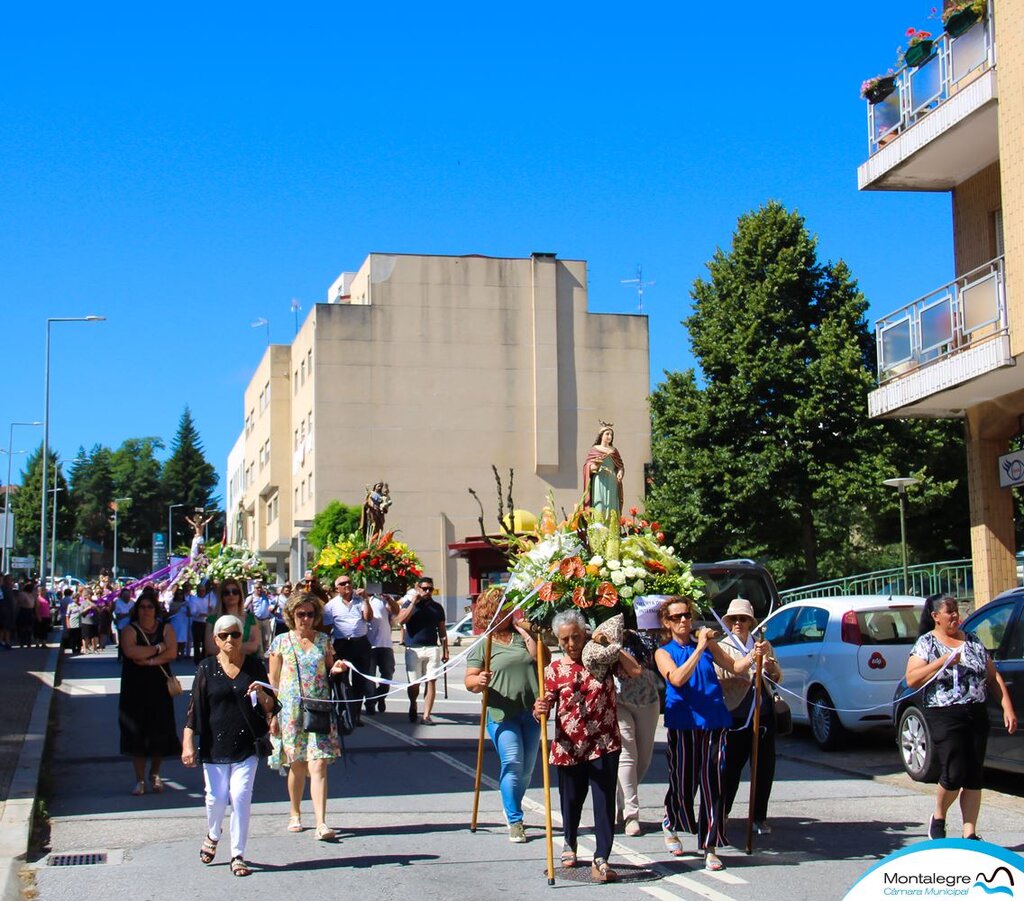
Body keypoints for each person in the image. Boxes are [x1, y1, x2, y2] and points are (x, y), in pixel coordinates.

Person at [655, 596, 766, 872]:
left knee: (713, 783)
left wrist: (754, 656)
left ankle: (710, 845)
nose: (684, 620)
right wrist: (700, 647)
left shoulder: (707, 646)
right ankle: (671, 819)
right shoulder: (663, 652)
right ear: (667, 623)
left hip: (714, 721)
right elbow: (677, 679)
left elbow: (735, 667)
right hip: (684, 724)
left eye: (687, 615)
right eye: (677, 617)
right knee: (683, 782)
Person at [533, 609, 640, 883]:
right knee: (571, 799)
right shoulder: (555, 670)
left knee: (603, 801)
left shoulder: (601, 659)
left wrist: (608, 645)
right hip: (570, 744)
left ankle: (602, 856)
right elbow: (544, 704)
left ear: (586, 634)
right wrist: (541, 707)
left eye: (576, 637)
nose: (571, 644)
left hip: (603, 741)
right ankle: (569, 841)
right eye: (565, 639)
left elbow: (634, 671)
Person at [905, 594, 1018, 840]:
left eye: (957, 611)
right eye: (950, 612)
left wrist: (1007, 706)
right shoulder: (927, 644)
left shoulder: (973, 641)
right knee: (954, 772)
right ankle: (939, 816)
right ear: (936, 616)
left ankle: (970, 832)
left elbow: (993, 676)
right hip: (944, 714)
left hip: (975, 712)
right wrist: (942, 661)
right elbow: (912, 679)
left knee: (974, 772)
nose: (956, 616)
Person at [182, 614, 278, 878]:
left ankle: (238, 854)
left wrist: (261, 694)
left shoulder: (255, 666)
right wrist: (188, 740)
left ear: (241, 636)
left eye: (235, 634)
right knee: (215, 799)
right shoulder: (206, 668)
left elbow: (272, 704)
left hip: (247, 743)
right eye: (223, 635)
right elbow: (195, 709)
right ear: (215, 639)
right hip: (214, 743)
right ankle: (214, 833)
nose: (230, 640)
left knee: (240, 796)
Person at [268, 592, 347, 840]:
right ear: (291, 616)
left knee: (319, 763)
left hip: (318, 709)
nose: (305, 619)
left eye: (310, 614)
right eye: (300, 614)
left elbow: (329, 668)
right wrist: (273, 713)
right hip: (290, 711)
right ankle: (295, 813)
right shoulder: (281, 641)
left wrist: (336, 668)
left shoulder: (324, 640)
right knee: (297, 765)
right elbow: (273, 679)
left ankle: (321, 823)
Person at [464, 586, 540, 842]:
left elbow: (543, 659)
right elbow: (470, 681)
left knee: (527, 770)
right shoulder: (483, 644)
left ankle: (511, 804)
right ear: (489, 613)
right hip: (500, 713)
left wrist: (526, 632)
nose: (506, 613)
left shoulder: (521, 637)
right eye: (500, 609)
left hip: (530, 711)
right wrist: (479, 680)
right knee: (512, 762)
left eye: (508, 608)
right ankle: (515, 819)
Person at [714, 597, 783, 836]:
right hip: (736, 713)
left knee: (764, 767)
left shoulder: (763, 644)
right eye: (734, 619)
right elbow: (718, 679)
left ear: (751, 621)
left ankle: (759, 817)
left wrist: (769, 665)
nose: (738, 623)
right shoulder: (723, 647)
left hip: (762, 713)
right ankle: (723, 812)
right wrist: (739, 673)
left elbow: (776, 676)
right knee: (730, 768)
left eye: (743, 619)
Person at [119, 587, 181, 795]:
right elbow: (130, 651)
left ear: (156, 609)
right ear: (137, 610)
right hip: (134, 688)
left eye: (150, 607)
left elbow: (172, 652)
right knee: (136, 732)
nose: (146, 611)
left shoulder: (166, 629)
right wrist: (157, 648)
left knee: (159, 731)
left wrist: (150, 660)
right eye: (142, 607)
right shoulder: (130, 630)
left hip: (159, 687)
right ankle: (139, 780)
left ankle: (155, 774)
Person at [615, 625, 662, 836]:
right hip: (617, 699)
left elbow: (647, 664)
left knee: (643, 760)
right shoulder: (602, 628)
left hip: (647, 698)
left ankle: (621, 801)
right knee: (627, 756)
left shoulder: (649, 632)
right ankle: (631, 816)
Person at [396, 577, 448, 724]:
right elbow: (401, 620)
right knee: (414, 684)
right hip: (413, 648)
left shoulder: (437, 607)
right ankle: (413, 704)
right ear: (418, 588)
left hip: (432, 647)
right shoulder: (409, 604)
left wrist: (445, 650)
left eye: (430, 589)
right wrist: (413, 602)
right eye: (424, 588)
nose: (427, 592)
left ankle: (426, 715)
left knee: (431, 681)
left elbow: (442, 630)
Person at [323, 575, 373, 727]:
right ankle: (342, 714)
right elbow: (326, 629)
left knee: (360, 681)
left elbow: (368, 618)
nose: (347, 585)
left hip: (360, 644)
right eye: (342, 583)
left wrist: (365, 599)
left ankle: (356, 715)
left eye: (348, 582)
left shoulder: (360, 600)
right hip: (342, 644)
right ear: (336, 588)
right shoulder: (331, 605)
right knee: (341, 681)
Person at [205, 579, 261, 659]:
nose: (231, 595)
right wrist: (243, 646)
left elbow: (253, 647)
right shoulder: (212, 619)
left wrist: (224, 648)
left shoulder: (250, 619)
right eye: (226, 593)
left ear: (240, 595)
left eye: (235, 592)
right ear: (221, 596)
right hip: (220, 664)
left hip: (246, 665)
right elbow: (210, 648)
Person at [365, 592, 399, 715]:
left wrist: (389, 599)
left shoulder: (382, 599)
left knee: (388, 674)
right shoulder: (358, 600)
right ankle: (370, 703)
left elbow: (396, 611)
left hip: (385, 644)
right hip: (368, 645)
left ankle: (381, 695)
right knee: (370, 676)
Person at [581, 424, 624, 515]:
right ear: (601, 435)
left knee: (611, 505)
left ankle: (611, 527)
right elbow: (588, 466)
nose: (610, 436)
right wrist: (596, 466)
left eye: (611, 435)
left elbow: (620, 466)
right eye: (607, 434)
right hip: (599, 479)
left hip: (612, 480)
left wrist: (620, 472)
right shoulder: (595, 449)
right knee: (599, 503)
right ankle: (598, 527)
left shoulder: (614, 451)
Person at [246, 579, 275, 657]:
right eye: (257, 588)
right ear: (254, 589)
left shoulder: (265, 596)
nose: (259, 589)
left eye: (260, 588)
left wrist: (268, 593)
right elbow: (245, 606)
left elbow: (274, 599)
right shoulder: (251, 597)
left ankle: (265, 652)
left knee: (266, 638)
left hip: (265, 619)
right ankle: (260, 656)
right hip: (256, 620)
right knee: (258, 640)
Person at [187, 580, 213, 664]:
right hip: (197, 623)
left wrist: (210, 611)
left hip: (206, 623)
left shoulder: (207, 599)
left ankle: (204, 658)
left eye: (203, 591)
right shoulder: (193, 600)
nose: (202, 592)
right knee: (197, 642)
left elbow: (212, 610)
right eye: (200, 590)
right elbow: (193, 612)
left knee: (206, 641)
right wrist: (201, 614)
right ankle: (197, 659)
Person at [64, 590, 83, 656]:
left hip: (79, 624)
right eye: (75, 598)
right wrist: (68, 624)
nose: (77, 599)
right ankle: (73, 648)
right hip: (72, 624)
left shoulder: (80, 605)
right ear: (73, 599)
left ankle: (79, 648)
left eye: (78, 598)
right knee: (73, 638)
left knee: (79, 637)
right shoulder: (70, 606)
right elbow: (67, 616)